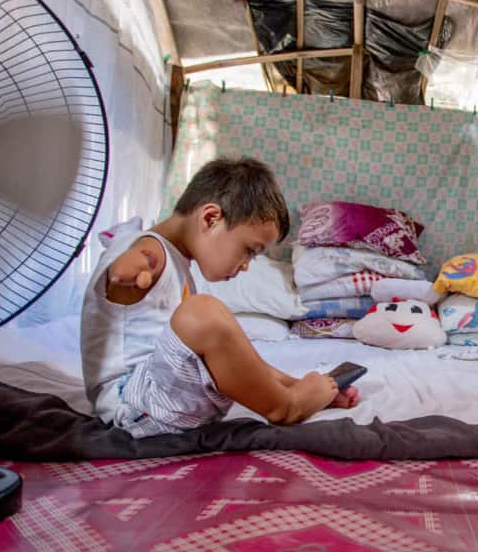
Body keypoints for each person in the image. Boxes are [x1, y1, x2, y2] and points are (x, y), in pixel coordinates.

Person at [80, 157, 359, 438]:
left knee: (221, 336)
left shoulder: (178, 264)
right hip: (131, 406)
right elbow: (136, 258)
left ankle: (288, 396)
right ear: (211, 218)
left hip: (157, 398)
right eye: (249, 250)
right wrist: (134, 265)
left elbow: (241, 363)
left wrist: (303, 386)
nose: (246, 264)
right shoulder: (151, 248)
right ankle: (286, 408)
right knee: (202, 313)